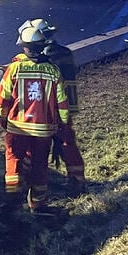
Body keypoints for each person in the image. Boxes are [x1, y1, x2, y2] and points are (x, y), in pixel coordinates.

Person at [0, 25, 70, 216]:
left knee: (13, 162)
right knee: (39, 165)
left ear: (24, 47)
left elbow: (2, 99)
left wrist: (3, 120)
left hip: (17, 128)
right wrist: (61, 127)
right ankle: (38, 205)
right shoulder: (53, 72)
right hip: (44, 131)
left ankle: (11, 200)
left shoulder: (14, 69)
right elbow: (62, 104)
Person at [18, 19, 86, 195]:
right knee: (66, 143)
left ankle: (25, 181)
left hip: (49, 108)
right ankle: (76, 180)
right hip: (65, 106)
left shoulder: (46, 59)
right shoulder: (63, 52)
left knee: (34, 146)